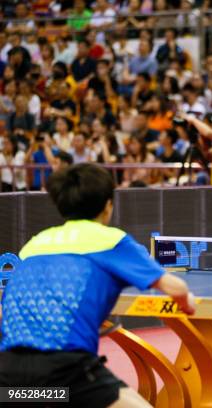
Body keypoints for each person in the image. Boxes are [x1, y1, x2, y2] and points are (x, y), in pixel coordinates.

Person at [0, 163, 196, 407]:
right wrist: (187, 305)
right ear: (108, 206)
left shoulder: (34, 245)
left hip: (10, 376)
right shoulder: (111, 240)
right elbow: (176, 288)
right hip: (67, 371)